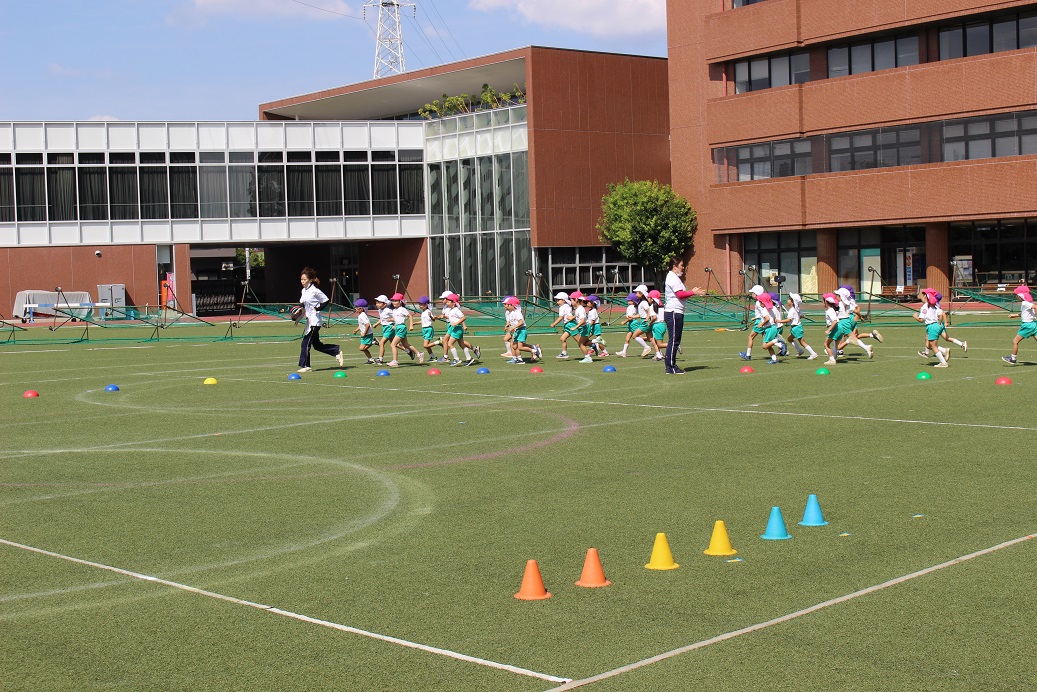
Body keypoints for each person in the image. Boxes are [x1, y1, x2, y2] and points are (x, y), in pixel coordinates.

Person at [296, 267, 343, 373]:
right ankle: (335, 351)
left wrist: (318, 308)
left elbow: (325, 300)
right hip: (309, 322)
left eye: (304, 279)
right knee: (317, 345)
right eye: (301, 279)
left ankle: (306, 366)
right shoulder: (303, 290)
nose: (302, 281)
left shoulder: (314, 290)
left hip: (315, 321)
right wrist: (298, 310)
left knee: (305, 343)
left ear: (310, 280)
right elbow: (302, 303)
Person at [1002, 284, 1036, 365]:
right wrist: (1015, 315)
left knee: (1015, 341)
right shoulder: (1028, 303)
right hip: (1034, 324)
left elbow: (1035, 307)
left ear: (1021, 296)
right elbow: (1025, 313)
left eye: (1017, 295)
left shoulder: (1024, 303)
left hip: (1027, 325)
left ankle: (1013, 359)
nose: (1017, 296)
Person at [915, 288, 950, 367]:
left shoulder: (924, 307)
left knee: (932, 346)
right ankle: (943, 352)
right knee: (931, 343)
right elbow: (940, 315)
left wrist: (915, 316)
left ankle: (943, 362)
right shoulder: (934, 305)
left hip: (931, 326)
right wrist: (939, 323)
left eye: (923, 295)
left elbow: (921, 320)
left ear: (925, 297)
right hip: (937, 325)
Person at [387, 292, 422, 367]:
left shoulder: (402, 309)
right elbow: (397, 319)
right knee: (406, 344)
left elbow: (410, 316)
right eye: (393, 301)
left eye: (396, 301)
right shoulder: (394, 310)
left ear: (400, 302)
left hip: (401, 328)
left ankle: (395, 361)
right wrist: (392, 322)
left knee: (393, 344)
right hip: (398, 327)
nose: (394, 302)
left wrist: (411, 325)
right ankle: (419, 354)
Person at [782, 293, 817, 360]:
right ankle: (799, 350)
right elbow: (800, 316)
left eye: (789, 299)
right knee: (789, 339)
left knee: (802, 342)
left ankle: (813, 353)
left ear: (792, 302)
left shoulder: (792, 310)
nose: (787, 300)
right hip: (795, 328)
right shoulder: (796, 309)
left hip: (796, 328)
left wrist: (779, 321)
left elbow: (789, 319)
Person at [502, 296, 538, 363]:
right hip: (516, 331)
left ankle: (534, 351)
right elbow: (511, 322)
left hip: (521, 330)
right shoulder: (511, 313)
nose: (505, 306)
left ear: (512, 305)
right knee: (514, 346)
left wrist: (513, 327)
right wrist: (508, 326)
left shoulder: (517, 312)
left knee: (520, 347)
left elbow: (521, 322)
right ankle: (518, 359)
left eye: (507, 304)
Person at [740, 285, 767, 361]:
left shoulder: (759, 302)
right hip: (761, 320)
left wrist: (759, 321)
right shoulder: (762, 301)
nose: (751, 294)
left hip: (760, 321)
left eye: (752, 293)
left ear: (756, 293)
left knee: (750, 337)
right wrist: (756, 318)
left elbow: (763, 313)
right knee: (765, 339)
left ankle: (748, 355)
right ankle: (779, 345)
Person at [549, 291, 577, 359]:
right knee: (562, 339)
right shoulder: (567, 306)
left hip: (570, 325)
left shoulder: (562, 307)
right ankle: (564, 353)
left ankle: (593, 344)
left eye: (559, 300)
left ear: (564, 300)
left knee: (580, 342)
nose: (557, 302)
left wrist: (554, 324)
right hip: (568, 325)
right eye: (557, 300)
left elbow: (561, 317)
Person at [615, 293, 639, 358]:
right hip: (631, 323)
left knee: (639, 337)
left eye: (629, 300)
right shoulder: (633, 307)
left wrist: (624, 322)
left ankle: (650, 344)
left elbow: (630, 317)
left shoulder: (631, 307)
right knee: (627, 338)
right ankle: (624, 352)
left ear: (633, 301)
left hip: (633, 323)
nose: (628, 301)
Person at [352, 298, 375, 364]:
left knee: (362, 348)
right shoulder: (360, 315)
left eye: (357, 307)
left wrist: (364, 333)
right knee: (364, 349)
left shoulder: (362, 315)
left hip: (367, 334)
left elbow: (367, 325)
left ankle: (373, 341)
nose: (355, 308)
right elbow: (361, 325)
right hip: (364, 334)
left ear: (362, 309)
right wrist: (356, 330)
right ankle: (370, 359)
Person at [647, 290, 667, 361]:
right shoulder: (661, 306)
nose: (647, 299)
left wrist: (650, 323)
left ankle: (674, 345)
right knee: (654, 341)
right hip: (662, 325)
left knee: (659, 344)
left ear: (652, 299)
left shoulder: (652, 306)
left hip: (657, 325)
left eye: (648, 297)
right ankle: (659, 355)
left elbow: (654, 317)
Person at [417, 296, 438, 361]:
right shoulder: (423, 312)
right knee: (427, 346)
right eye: (419, 304)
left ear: (426, 305)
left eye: (422, 304)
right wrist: (414, 323)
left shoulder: (428, 311)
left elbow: (433, 320)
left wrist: (431, 316)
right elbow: (422, 321)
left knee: (425, 345)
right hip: (424, 329)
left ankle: (438, 342)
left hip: (428, 329)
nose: (420, 306)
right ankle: (433, 357)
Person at [374, 294, 393, 364]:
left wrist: (391, 320)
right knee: (393, 344)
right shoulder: (380, 310)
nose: (377, 304)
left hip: (390, 327)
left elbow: (396, 317)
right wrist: (376, 324)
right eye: (377, 302)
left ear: (385, 304)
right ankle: (408, 350)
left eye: (379, 303)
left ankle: (380, 358)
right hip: (384, 327)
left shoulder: (388, 310)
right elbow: (382, 319)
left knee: (381, 343)